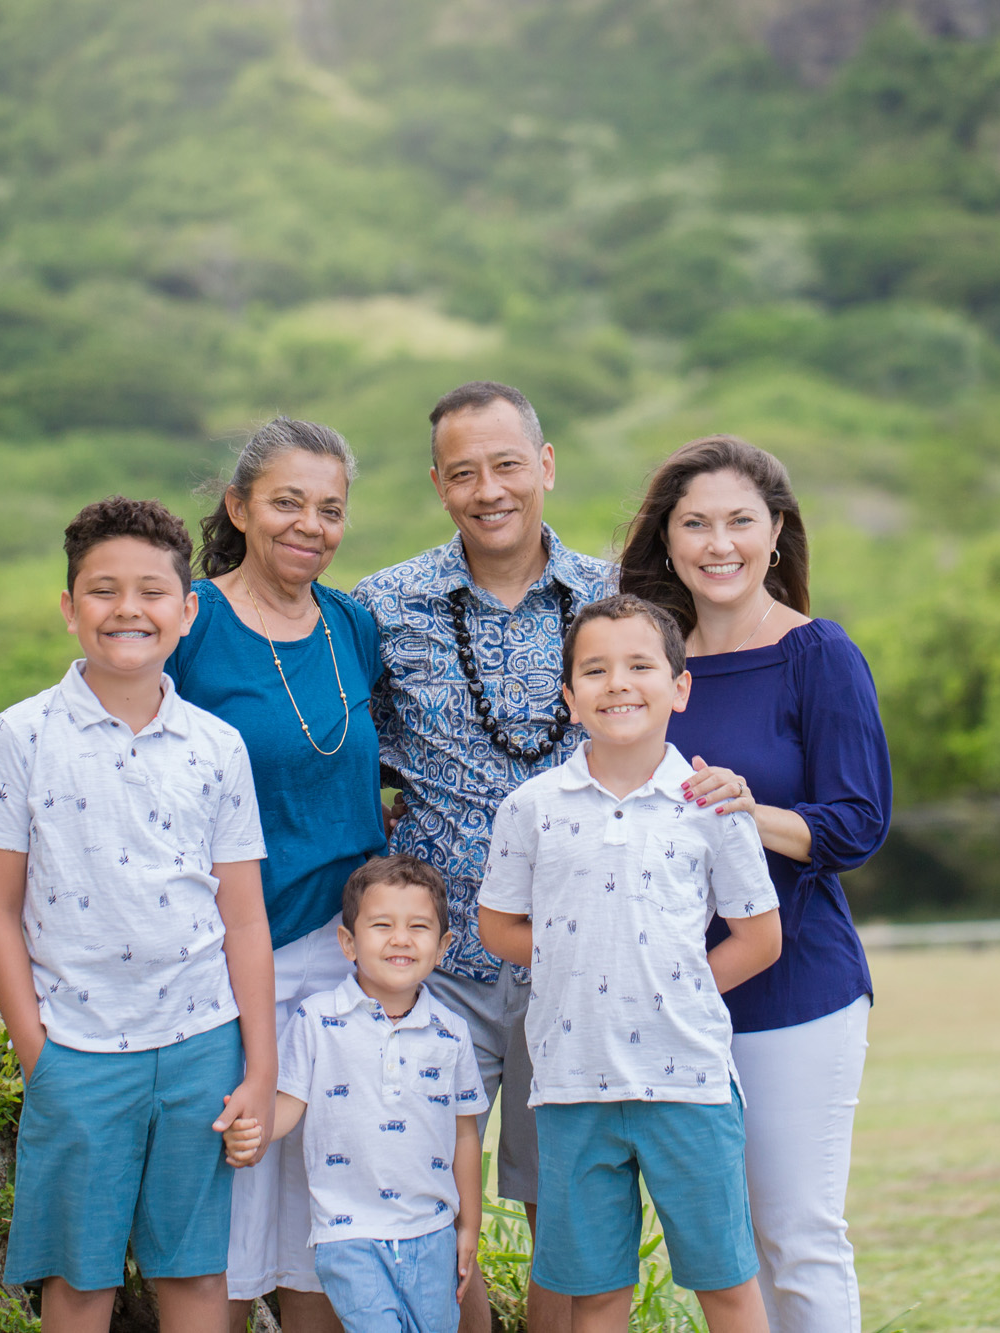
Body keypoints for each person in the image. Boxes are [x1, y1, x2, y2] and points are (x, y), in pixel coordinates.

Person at [0, 496, 280, 1333]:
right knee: (78, 1279)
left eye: (150, 591)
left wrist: (258, 1067)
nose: (128, 609)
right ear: (71, 609)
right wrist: (40, 1053)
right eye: (103, 591)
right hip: (78, 1048)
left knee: (196, 1273)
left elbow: (244, 919)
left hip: (202, 1045)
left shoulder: (217, 746)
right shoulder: (23, 734)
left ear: (186, 610)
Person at [352, 381, 612, 1333]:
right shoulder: (382, 608)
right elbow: (352, 765)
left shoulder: (617, 599)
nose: (488, 488)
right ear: (437, 484)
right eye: (464, 472)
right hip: (439, 968)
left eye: (507, 464)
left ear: (544, 466)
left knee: (573, 1210)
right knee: (424, 1207)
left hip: (576, 961)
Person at [619, 437, 892, 1333]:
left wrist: (744, 809)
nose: (718, 542)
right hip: (676, 998)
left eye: (740, 521)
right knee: (725, 1250)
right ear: (668, 540)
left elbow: (856, 822)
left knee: (798, 1235)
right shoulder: (649, 662)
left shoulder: (819, 655)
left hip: (795, 987)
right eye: (695, 523)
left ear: (777, 534)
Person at [476, 595, 781, 1333]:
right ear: (569, 696)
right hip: (573, 1084)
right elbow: (497, 925)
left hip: (690, 1083)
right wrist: (579, 962)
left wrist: (668, 983)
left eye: (641, 665)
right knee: (597, 1295)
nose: (618, 682)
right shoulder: (532, 806)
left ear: (679, 686)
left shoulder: (711, 803)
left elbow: (760, 937)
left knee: (728, 1284)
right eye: (596, 669)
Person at [168, 418, 386, 1333]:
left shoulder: (350, 624)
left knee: (323, 1233)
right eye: (288, 502)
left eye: (329, 509)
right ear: (239, 507)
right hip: (228, 966)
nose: (310, 525)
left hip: (344, 968)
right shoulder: (190, 618)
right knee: (220, 1231)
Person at [221, 854, 485, 1333]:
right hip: (349, 1233)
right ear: (348, 942)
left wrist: (468, 1224)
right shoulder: (319, 1020)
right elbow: (288, 1106)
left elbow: (465, 1134)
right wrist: (252, 1134)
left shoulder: (453, 1033)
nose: (401, 939)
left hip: (431, 1232)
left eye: (419, 927)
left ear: (443, 946)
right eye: (382, 925)